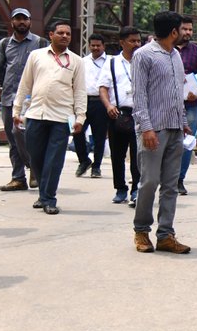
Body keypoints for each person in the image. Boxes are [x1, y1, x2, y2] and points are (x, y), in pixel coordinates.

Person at [131, 11, 192, 255]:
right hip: (153, 130)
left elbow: (178, 91)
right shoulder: (143, 55)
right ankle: (141, 230)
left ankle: (166, 234)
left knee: (170, 185)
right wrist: (146, 127)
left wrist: (184, 121)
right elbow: (138, 95)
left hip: (175, 128)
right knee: (149, 182)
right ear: (174, 32)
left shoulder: (176, 55)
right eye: (182, 29)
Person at [14, 20, 86, 215]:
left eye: (68, 34)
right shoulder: (36, 56)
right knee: (35, 156)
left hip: (62, 117)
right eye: (60, 33)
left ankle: (49, 198)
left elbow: (80, 91)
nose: (65, 36)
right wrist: (17, 110)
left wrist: (80, 117)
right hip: (36, 114)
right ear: (51, 35)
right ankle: (42, 193)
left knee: (54, 160)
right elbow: (25, 84)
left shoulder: (76, 61)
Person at [0, 7, 47, 191]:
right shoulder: (4, 43)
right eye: (18, 19)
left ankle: (34, 170)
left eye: (25, 19)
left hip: (33, 99)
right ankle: (18, 177)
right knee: (12, 139)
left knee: (28, 136)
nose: (21, 22)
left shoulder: (40, 43)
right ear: (12, 22)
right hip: (9, 98)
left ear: (30, 22)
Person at [98, 26, 142, 206]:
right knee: (117, 154)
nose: (136, 44)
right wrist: (108, 105)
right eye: (132, 41)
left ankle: (136, 189)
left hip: (140, 113)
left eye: (138, 41)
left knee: (138, 154)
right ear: (122, 43)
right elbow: (102, 87)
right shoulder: (111, 63)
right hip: (119, 114)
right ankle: (120, 188)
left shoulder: (144, 61)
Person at [176, 17, 197, 196]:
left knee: (187, 142)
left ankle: (180, 179)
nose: (188, 33)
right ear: (176, 30)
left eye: (190, 29)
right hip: (168, 104)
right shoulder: (167, 50)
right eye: (185, 29)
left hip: (191, 104)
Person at [72, 33, 109, 179]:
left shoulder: (110, 62)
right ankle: (84, 160)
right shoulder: (82, 62)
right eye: (92, 45)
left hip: (101, 102)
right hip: (83, 101)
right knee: (76, 130)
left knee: (99, 136)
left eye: (98, 45)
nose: (95, 48)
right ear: (88, 46)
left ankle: (97, 166)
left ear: (103, 46)